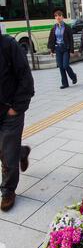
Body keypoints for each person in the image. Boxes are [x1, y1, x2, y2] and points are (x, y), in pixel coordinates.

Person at [0, 30, 34, 212]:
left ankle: (7, 191)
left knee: (7, 154)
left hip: (9, 111)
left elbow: (25, 77)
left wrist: (17, 107)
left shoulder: (8, 45)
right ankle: (21, 152)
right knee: (6, 150)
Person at [48, 10, 77, 90]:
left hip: (65, 48)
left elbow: (71, 40)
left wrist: (71, 51)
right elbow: (51, 39)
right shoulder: (54, 28)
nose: (58, 17)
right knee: (60, 66)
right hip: (58, 48)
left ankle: (73, 76)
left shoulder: (67, 27)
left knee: (65, 65)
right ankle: (65, 83)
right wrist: (51, 50)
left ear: (62, 17)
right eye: (56, 16)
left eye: (59, 16)